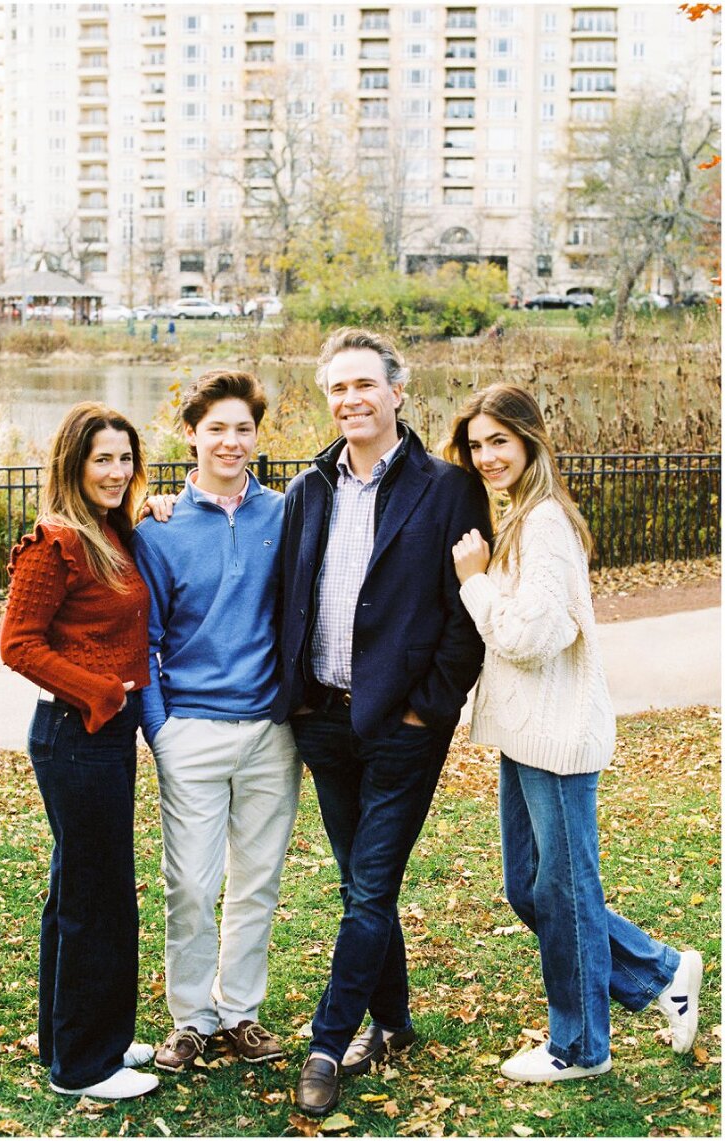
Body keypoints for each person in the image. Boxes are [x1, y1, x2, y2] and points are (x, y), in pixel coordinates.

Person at [447, 383, 704, 1083]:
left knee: (561, 891)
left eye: (499, 439)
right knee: (532, 889)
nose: (487, 455)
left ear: (531, 438)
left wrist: (475, 582)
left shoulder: (545, 524)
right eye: (476, 444)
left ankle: (582, 1044)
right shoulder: (522, 517)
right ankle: (660, 971)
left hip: (556, 736)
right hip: (528, 734)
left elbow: (533, 635)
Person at [271, 327, 492, 1117]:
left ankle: (329, 1041)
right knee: (363, 883)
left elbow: (465, 615)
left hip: (402, 726)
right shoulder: (308, 488)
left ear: (399, 391)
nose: (350, 400)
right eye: (337, 388)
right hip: (322, 720)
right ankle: (394, 1021)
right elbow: (282, 590)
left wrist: (425, 707)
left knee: (367, 889)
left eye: (364, 384)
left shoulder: (447, 488)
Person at [132, 370, 302, 1073]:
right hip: (191, 731)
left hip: (271, 732)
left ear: (257, 436)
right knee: (193, 885)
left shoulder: (287, 514)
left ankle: (240, 1012)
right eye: (217, 428)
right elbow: (143, 638)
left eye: (243, 429)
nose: (231, 441)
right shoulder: (159, 527)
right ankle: (191, 1018)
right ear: (191, 434)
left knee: (257, 879)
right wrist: (160, 730)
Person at [0, 403, 158, 1100]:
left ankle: (79, 1035)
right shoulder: (55, 541)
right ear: (74, 463)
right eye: (103, 459)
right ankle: (84, 1066)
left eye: (125, 458)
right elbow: (17, 643)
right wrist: (98, 691)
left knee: (80, 888)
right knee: (97, 897)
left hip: (100, 734)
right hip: (74, 734)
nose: (117, 471)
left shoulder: (107, 532)